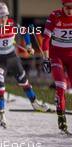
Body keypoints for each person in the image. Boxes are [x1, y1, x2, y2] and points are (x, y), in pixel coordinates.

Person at [0, 2, 49, 128]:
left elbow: (25, 32)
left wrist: (29, 46)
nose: (2, 19)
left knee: (25, 83)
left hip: (12, 59)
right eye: (0, 16)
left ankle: (35, 103)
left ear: (7, 16)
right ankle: (1, 114)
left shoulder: (12, 24)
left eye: (4, 16)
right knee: (0, 89)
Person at [42, 0, 72, 133]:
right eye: (67, 8)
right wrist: (46, 59)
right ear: (62, 7)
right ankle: (61, 117)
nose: (70, 10)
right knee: (61, 86)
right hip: (57, 56)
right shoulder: (55, 16)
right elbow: (46, 39)